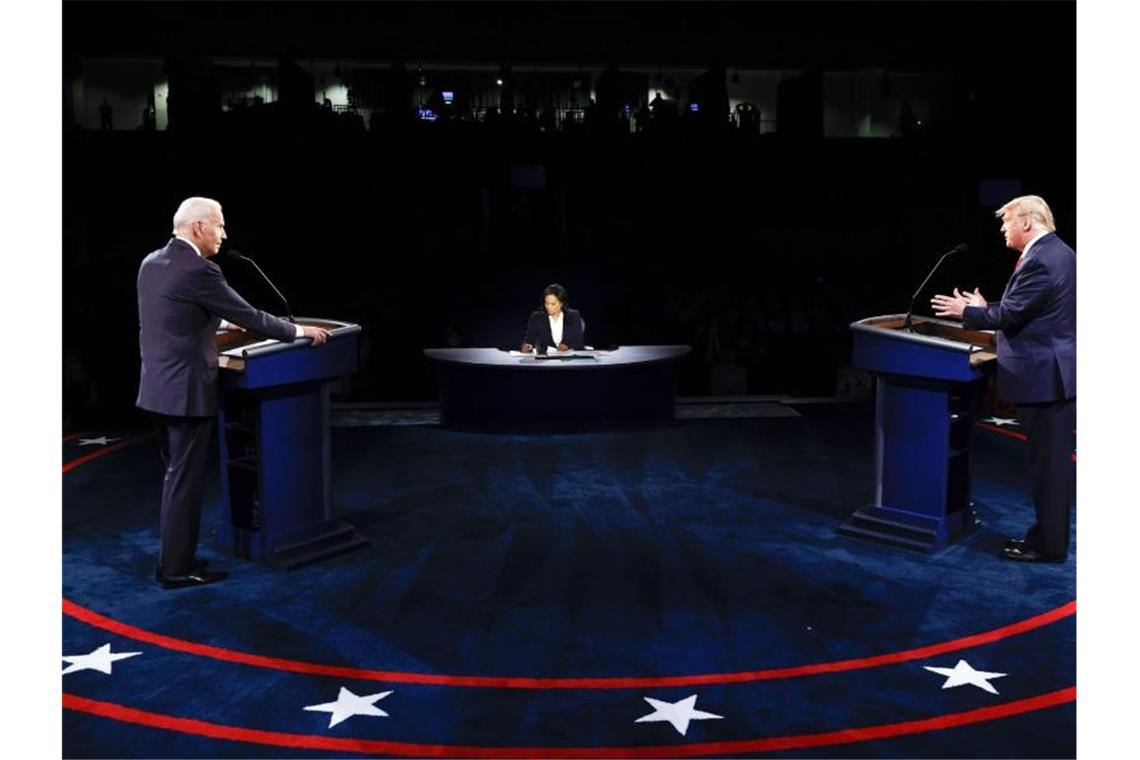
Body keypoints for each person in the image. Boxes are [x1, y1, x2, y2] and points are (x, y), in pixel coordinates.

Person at [137, 197, 330, 588]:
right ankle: (176, 570)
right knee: (184, 482)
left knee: (175, 479)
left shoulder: (152, 262)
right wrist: (299, 331)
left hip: (157, 389)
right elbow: (250, 316)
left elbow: (177, 313)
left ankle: (172, 561)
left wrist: (215, 322)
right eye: (220, 226)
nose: (224, 234)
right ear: (198, 228)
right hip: (186, 392)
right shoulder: (199, 269)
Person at [931, 195, 1075, 563]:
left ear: (1026, 222)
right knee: (1048, 466)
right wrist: (986, 309)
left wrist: (970, 312)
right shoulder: (1055, 253)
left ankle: (1048, 546)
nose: (1002, 229)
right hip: (1050, 374)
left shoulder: (1043, 259)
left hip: (1046, 378)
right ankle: (1045, 538)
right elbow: (1028, 309)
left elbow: (1011, 315)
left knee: (1048, 468)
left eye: (1006, 221)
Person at [520, 283, 585, 353]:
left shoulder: (574, 316)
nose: (549, 307)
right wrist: (527, 346)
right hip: (545, 361)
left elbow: (579, 343)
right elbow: (528, 340)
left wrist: (567, 347)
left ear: (561, 303)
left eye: (553, 304)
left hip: (568, 360)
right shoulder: (536, 317)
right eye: (546, 303)